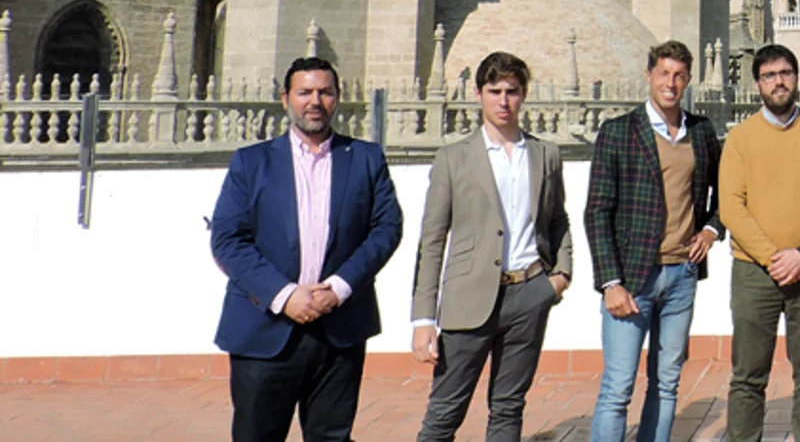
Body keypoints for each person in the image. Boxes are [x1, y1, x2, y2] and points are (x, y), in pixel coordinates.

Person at [210, 56, 403, 442]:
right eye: (305, 92)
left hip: (340, 328)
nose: (315, 101)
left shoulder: (366, 159)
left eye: (325, 92)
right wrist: (285, 295)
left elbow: (386, 228)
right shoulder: (251, 163)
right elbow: (228, 240)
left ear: (337, 98)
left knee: (332, 437)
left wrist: (339, 287)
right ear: (286, 99)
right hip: (266, 329)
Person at [411, 52, 574, 442]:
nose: (504, 101)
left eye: (512, 91)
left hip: (529, 294)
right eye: (494, 90)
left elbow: (558, 219)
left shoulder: (545, 154)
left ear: (524, 94)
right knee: (445, 411)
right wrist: (422, 319)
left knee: (508, 407)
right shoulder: (454, 158)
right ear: (478, 93)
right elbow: (432, 240)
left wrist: (560, 276)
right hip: (468, 299)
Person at [586, 40, 725, 442]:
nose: (671, 82)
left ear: (688, 80)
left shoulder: (701, 132)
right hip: (632, 279)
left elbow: (726, 191)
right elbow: (597, 211)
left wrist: (712, 229)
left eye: (679, 75)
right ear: (649, 76)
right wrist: (610, 282)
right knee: (618, 387)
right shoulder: (619, 132)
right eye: (663, 73)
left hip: (681, 275)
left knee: (666, 384)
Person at [719, 43, 800, 442]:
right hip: (754, 274)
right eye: (770, 75)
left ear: (796, 78)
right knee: (747, 377)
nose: (779, 82)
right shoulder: (740, 138)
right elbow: (731, 208)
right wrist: (775, 258)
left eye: (785, 73)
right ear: (757, 83)